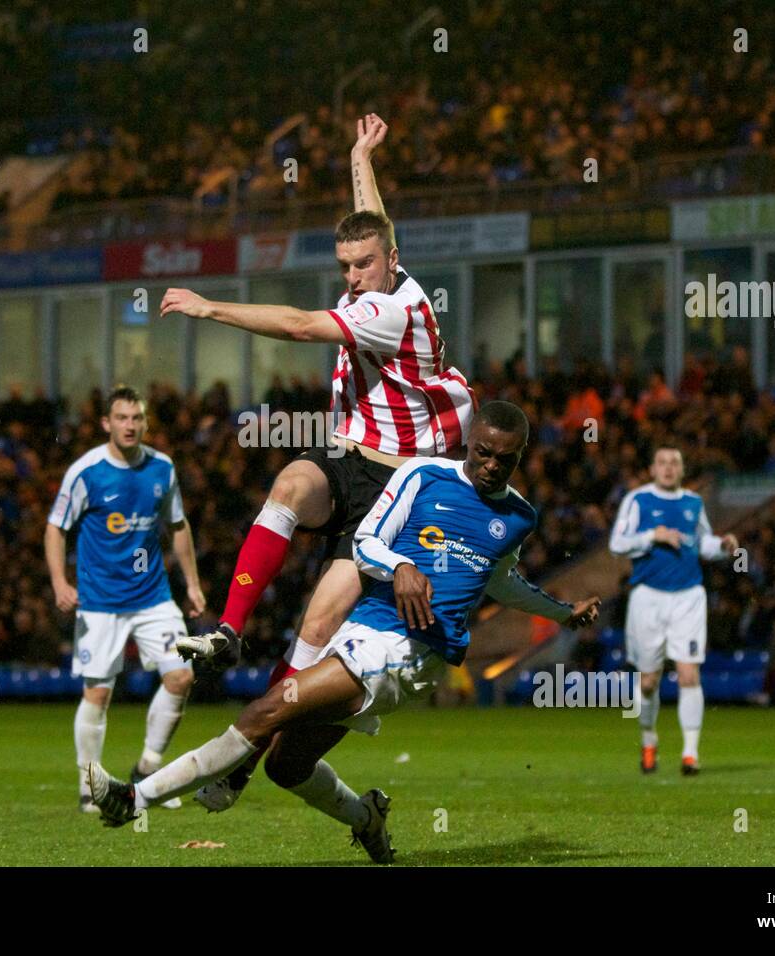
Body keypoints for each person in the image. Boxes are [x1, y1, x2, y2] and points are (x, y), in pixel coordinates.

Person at [87, 402, 600, 862]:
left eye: (504, 460)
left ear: (520, 457)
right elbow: (367, 541)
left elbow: (503, 581)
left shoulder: (518, 517)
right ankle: (366, 818)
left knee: (269, 709)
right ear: (470, 441)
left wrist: (561, 612)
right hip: (361, 633)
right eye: (484, 453)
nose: (491, 466)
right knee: (286, 765)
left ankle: (135, 798)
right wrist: (400, 566)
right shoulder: (423, 474)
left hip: (411, 653)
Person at [160, 114, 476, 812]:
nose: (353, 277)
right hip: (351, 456)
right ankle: (229, 630)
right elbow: (376, 222)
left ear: (390, 263)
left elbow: (302, 327)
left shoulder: (391, 311)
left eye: (363, 265)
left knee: (315, 629)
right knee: (291, 483)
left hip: (397, 489)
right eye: (344, 268)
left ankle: (244, 764)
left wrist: (210, 307)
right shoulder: (385, 274)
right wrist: (359, 155)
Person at [45, 385, 207, 812]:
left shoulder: (162, 468)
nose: (130, 425)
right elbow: (56, 526)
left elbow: (177, 524)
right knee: (98, 693)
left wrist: (191, 583)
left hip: (153, 595)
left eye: (137, 418)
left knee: (182, 676)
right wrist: (60, 583)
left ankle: (147, 769)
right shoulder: (87, 472)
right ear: (106, 424)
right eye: (122, 418)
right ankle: (90, 785)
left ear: (145, 422)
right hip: (100, 601)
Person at [609, 447, 739, 775]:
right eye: (662, 462)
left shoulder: (693, 503)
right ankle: (649, 739)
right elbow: (617, 543)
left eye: (675, 463)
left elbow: (703, 543)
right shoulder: (638, 500)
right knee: (649, 681)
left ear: (682, 470)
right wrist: (654, 535)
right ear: (652, 468)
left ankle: (690, 754)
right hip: (647, 598)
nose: (668, 468)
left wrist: (723, 546)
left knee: (688, 673)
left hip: (688, 597)